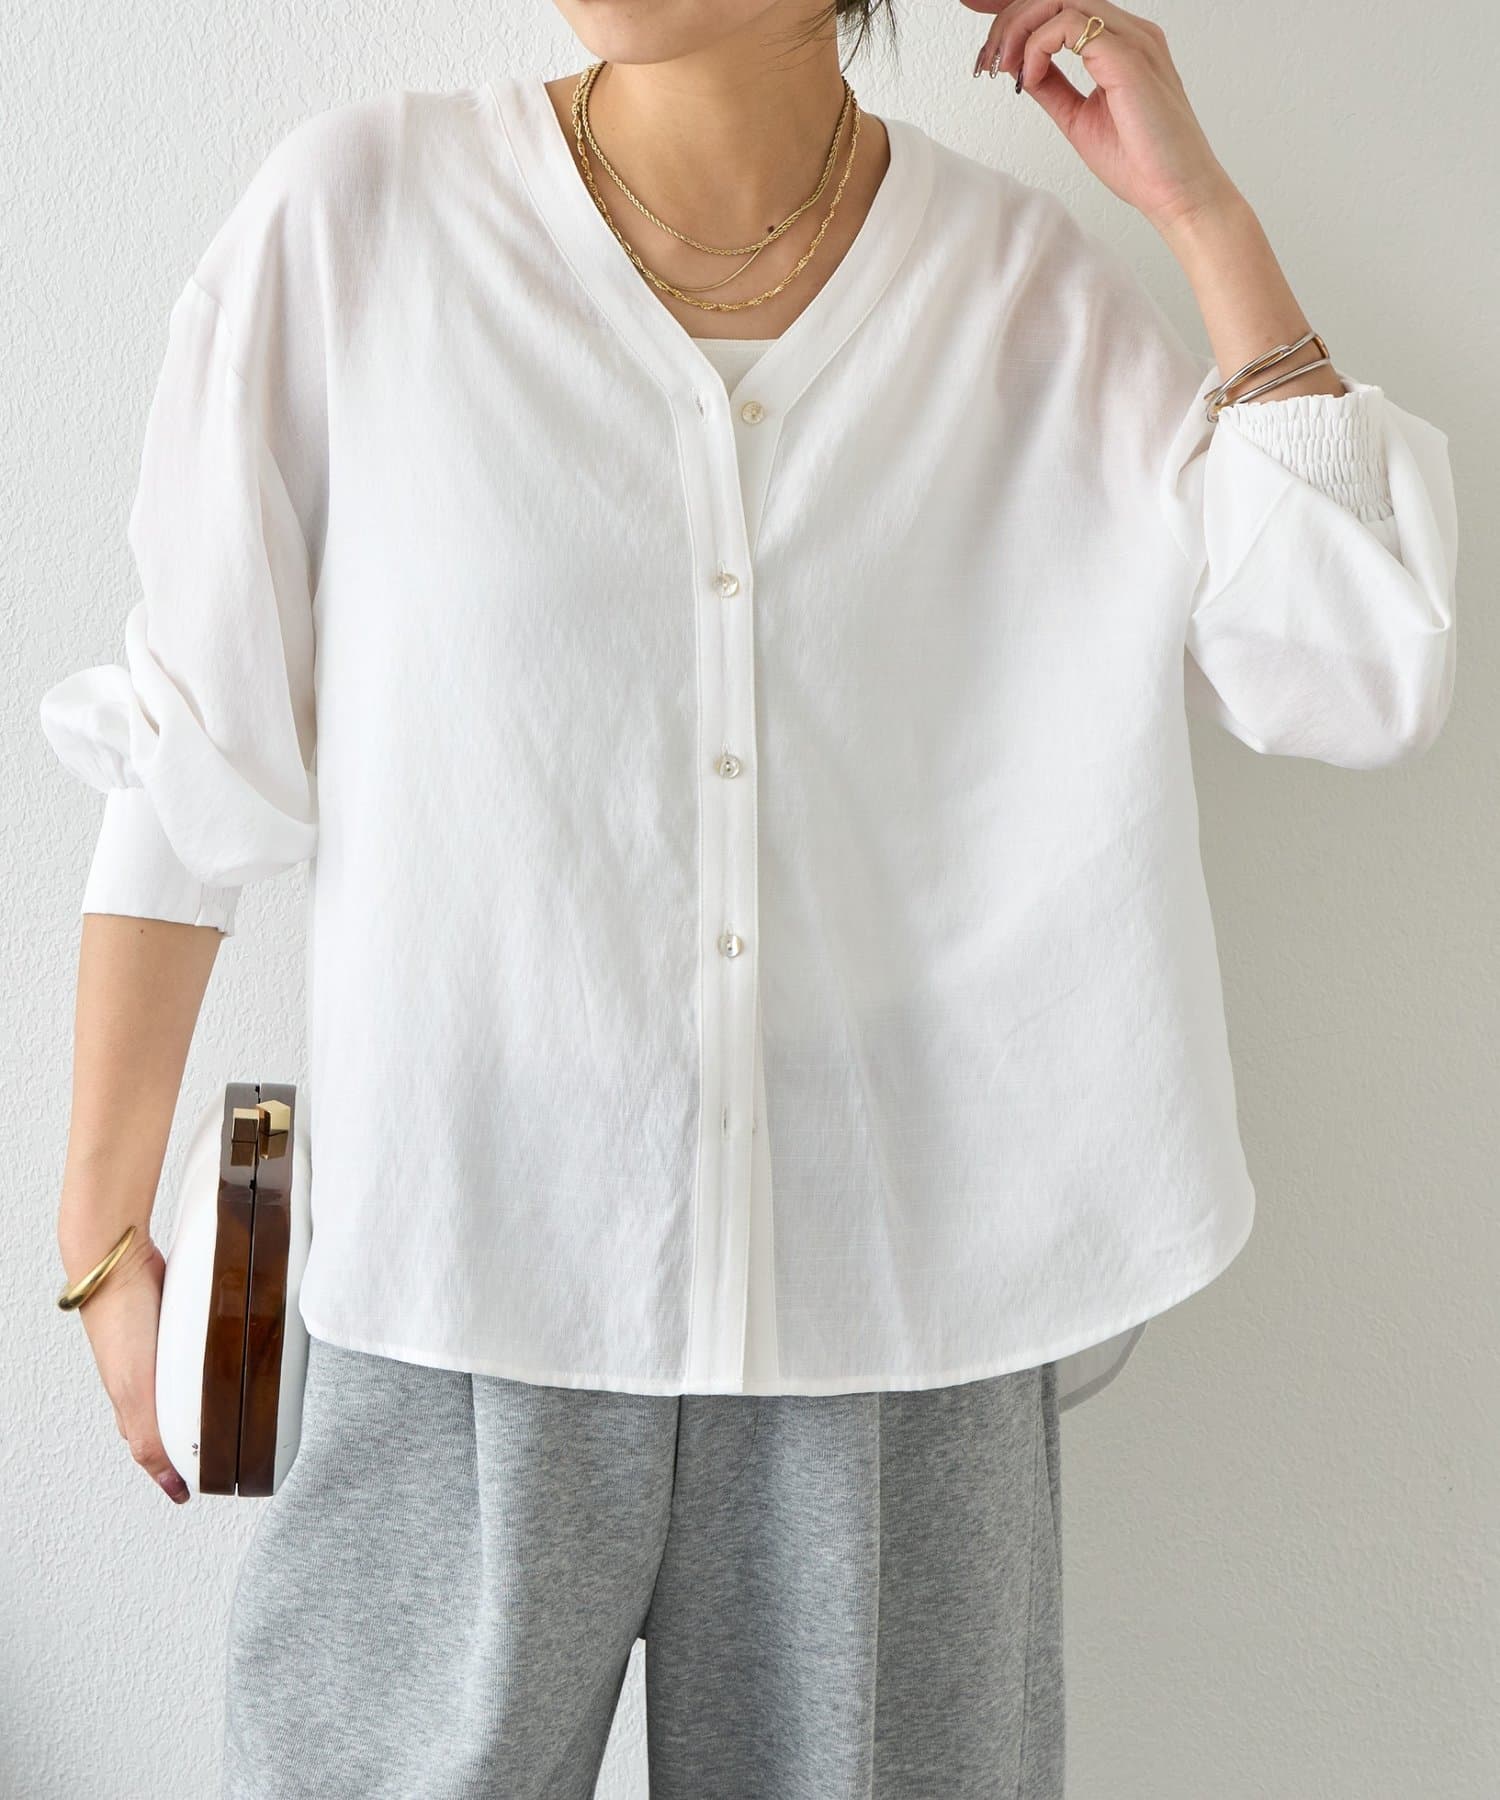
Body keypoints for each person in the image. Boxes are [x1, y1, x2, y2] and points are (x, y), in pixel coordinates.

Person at [39, 2, 1458, 1796]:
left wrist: (1203, 217)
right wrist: (101, 1237)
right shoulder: (361, 223)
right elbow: (196, 747)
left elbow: (1348, 674)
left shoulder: (1019, 290)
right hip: (456, 1274)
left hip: (895, 1314)